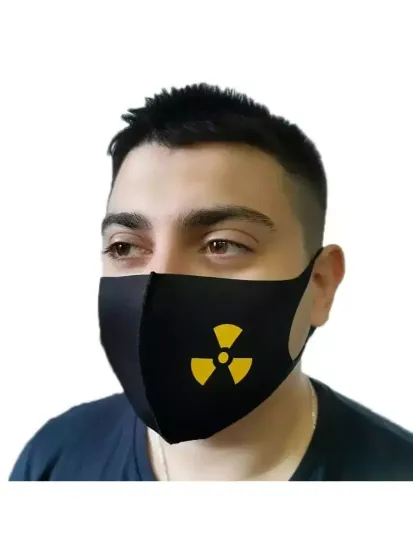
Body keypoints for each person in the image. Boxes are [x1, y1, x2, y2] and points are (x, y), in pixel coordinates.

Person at [10, 83, 413, 482]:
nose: (157, 285)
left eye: (222, 244)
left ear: (320, 285)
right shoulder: (55, 458)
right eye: (124, 247)